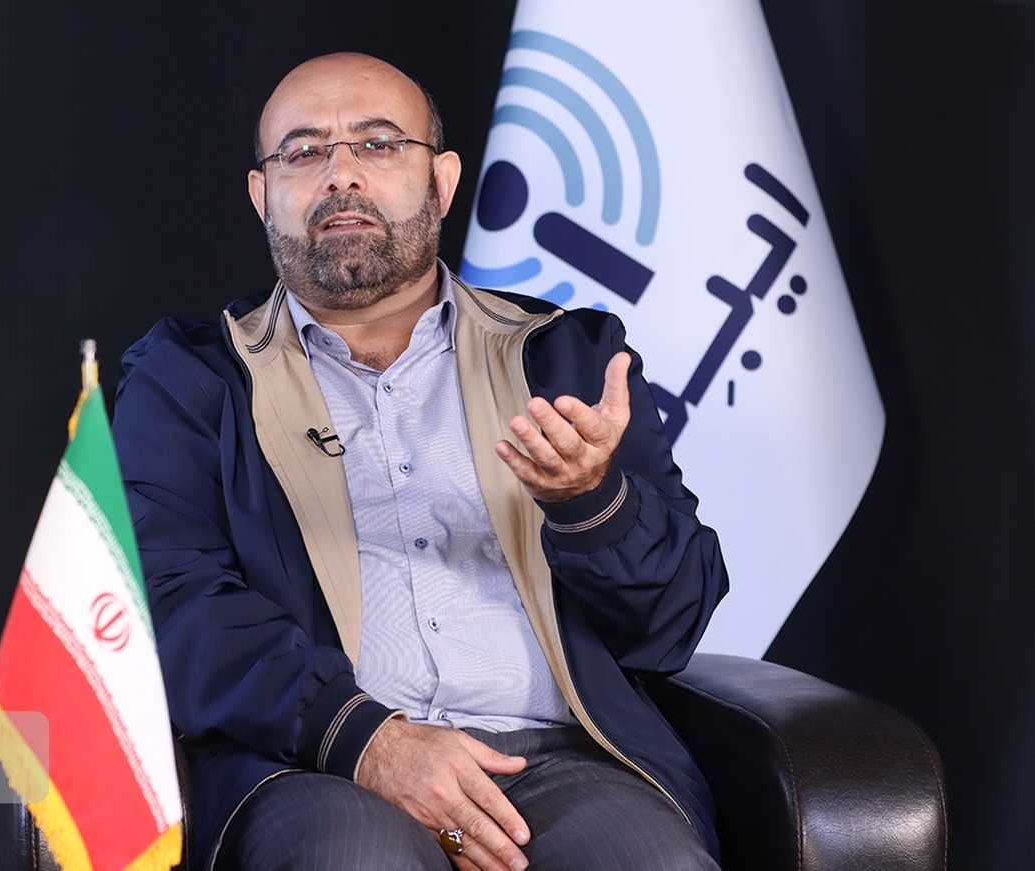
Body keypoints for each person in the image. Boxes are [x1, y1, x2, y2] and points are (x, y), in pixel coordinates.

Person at [112, 52, 728, 871]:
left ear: (441, 180)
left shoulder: (565, 358)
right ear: (263, 196)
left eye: (377, 143)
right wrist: (364, 738)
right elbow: (173, 600)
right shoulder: (190, 378)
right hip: (315, 761)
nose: (340, 175)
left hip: (556, 761)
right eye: (303, 151)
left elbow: (671, 628)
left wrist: (591, 504)